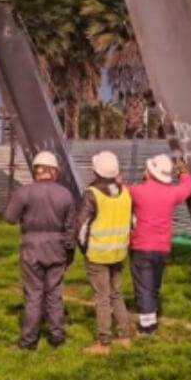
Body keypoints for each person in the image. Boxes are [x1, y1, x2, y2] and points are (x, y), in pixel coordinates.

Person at [3, 151, 77, 350]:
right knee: (54, 294)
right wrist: (69, 252)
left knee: (33, 295)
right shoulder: (66, 194)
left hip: (31, 249)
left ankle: (28, 341)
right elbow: (71, 228)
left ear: (36, 171)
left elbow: (10, 218)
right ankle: (57, 337)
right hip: (57, 248)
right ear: (54, 172)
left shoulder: (24, 192)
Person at [129, 154, 191, 335]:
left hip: (142, 246)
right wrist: (183, 172)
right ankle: (153, 314)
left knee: (144, 286)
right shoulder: (172, 193)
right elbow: (188, 187)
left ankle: (147, 326)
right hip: (163, 247)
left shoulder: (137, 191)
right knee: (154, 284)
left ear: (150, 172)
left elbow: (120, 191)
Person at [76, 150, 133, 355]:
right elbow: (132, 222)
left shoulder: (92, 194)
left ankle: (104, 342)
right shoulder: (126, 192)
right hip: (119, 253)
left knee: (102, 298)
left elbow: (81, 226)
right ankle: (125, 336)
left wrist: (84, 249)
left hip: (98, 255)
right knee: (117, 294)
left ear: (96, 170)